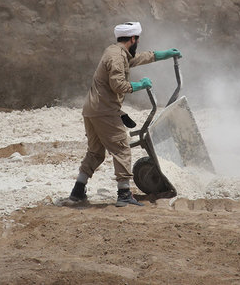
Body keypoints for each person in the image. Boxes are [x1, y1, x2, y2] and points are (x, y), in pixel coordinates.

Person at [67, 22, 182, 207]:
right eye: (137, 39)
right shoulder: (116, 57)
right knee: (122, 149)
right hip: (104, 111)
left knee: (96, 152)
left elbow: (137, 58)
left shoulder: (117, 52)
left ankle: (77, 192)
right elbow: (118, 85)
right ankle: (124, 194)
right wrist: (140, 85)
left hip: (92, 110)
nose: (138, 43)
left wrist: (163, 55)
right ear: (133, 39)